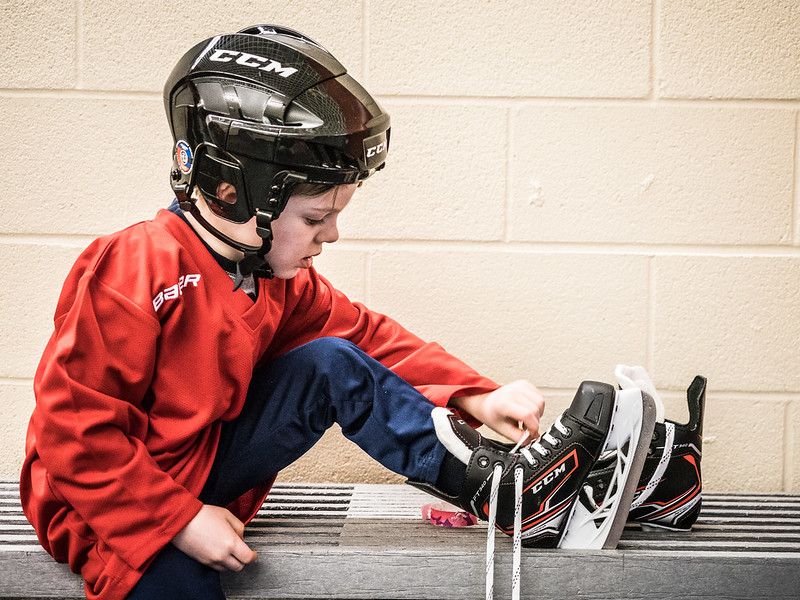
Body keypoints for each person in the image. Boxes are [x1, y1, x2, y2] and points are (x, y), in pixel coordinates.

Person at [19, 25, 556, 600]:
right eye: (316, 218)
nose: (333, 234)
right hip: (105, 503)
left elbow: (368, 339)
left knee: (331, 363)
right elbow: (76, 431)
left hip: (197, 468)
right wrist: (176, 520)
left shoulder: (275, 279)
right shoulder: (134, 266)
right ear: (232, 189)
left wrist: (477, 395)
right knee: (179, 584)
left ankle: (503, 490)